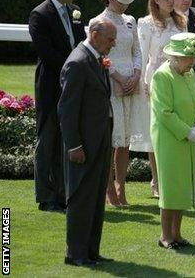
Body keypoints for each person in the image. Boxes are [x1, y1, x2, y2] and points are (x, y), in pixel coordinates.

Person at [58, 17, 116, 266]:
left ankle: (91, 250)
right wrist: (74, 145)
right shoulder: (78, 62)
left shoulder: (94, 58)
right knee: (82, 198)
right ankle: (76, 253)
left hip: (100, 140)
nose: (113, 44)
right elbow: (67, 110)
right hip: (83, 145)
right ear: (94, 34)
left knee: (95, 198)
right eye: (110, 39)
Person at [29, 0, 86, 213]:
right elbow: (47, 53)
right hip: (52, 85)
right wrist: (72, 69)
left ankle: (64, 194)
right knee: (48, 139)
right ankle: (46, 195)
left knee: (68, 139)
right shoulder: (39, 14)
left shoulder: (75, 12)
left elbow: (80, 43)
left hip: (72, 85)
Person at [150, 32, 195, 249]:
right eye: (188, 58)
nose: (192, 62)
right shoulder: (162, 76)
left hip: (189, 137)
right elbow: (164, 112)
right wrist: (186, 131)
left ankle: (177, 233)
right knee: (170, 186)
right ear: (174, 57)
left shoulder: (189, 74)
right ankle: (165, 236)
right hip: (169, 139)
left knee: (183, 185)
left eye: (194, 58)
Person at [92, 0, 141, 207]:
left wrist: (136, 75)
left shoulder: (131, 20)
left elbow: (138, 51)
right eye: (121, 0)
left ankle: (121, 186)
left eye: (127, 1)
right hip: (111, 83)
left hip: (131, 82)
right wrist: (119, 78)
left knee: (125, 141)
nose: (124, 5)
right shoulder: (97, 22)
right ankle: (109, 187)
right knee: (113, 137)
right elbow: (100, 55)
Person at [133, 0, 187, 198]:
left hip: (177, 76)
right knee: (156, 131)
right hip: (154, 79)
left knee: (176, 127)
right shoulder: (146, 23)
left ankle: (173, 177)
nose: (170, 1)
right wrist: (143, 84)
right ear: (155, 0)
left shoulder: (180, 20)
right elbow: (143, 54)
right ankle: (156, 179)